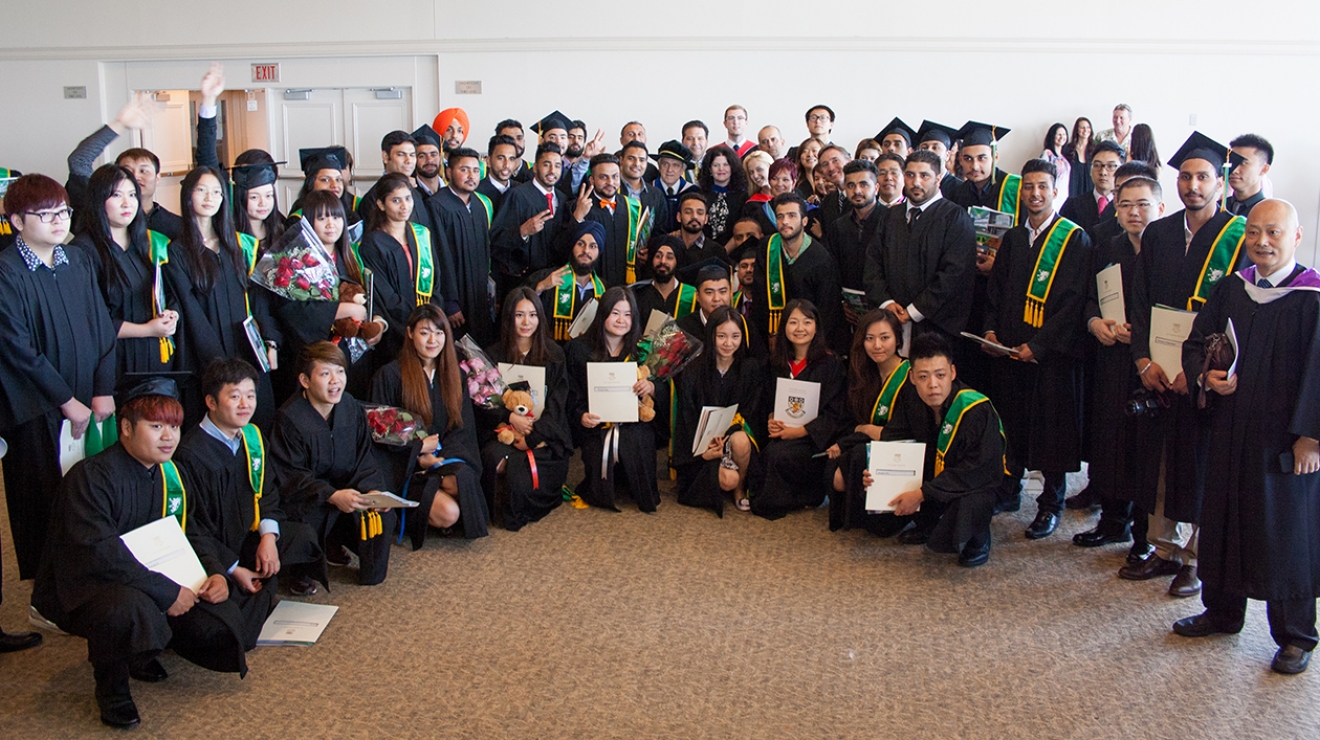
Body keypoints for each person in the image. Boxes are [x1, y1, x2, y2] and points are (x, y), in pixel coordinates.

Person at [31, 379, 258, 729]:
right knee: (128, 609)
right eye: (156, 426)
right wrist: (166, 592)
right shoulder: (92, 478)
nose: (168, 437)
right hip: (89, 586)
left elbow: (191, 528)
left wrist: (215, 571)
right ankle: (112, 687)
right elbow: (99, 554)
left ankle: (141, 651)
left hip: (150, 575)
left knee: (221, 611)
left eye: (174, 427)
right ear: (125, 427)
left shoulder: (170, 472)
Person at [1173, 199, 1320, 676]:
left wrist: (1312, 438)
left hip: (1283, 440)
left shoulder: (1312, 297)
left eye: (1273, 233)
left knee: (1284, 533)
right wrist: (1204, 377)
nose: (1262, 242)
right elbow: (1197, 342)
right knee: (1224, 516)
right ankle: (1222, 611)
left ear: (1295, 237)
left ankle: (1295, 635)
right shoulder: (1234, 289)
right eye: (1254, 233)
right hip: (1230, 427)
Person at [1122, 132, 1250, 597]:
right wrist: (1142, 360)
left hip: (1203, 376)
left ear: (1221, 183)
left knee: (1201, 464)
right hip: (1157, 369)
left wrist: (1196, 369)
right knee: (1161, 460)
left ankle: (1197, 556)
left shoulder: (1238, 237)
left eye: (1202, 177)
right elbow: (1139, 302)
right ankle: (1164, 548)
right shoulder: (1158, 233)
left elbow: (1237, 315)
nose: (1192, 185)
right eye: (1185, 176)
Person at [0, 174, 117, 638]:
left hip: (89, 403)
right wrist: (65, 400)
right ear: (15, 221)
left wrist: (101, 389)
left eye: (63, 212)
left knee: (85, 499)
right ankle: (45, 600)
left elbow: (101, 328)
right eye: (45, 215)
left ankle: (81, 587)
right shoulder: (8, 271)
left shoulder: (76, 260)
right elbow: (16, 347)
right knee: (45, 503)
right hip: (38, 411)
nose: (57, 222)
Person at [982, 159, 1092, 538]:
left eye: (1042, 186)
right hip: (1010, 352)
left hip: (1051, 358)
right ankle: (1010, 490)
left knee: (1052, 431)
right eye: (1028, 186)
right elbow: (995, 290)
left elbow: (1074, 304)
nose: (1034, 193)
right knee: (1011, 424)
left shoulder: (1074, 239)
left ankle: (1051, 503)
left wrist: (1039, 345)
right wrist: (991, 331)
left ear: (1056, 189)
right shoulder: (1013, 238)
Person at [175, 359, 325, 597]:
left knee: (302, 537)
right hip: (214, 552)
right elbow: (193, 525)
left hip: (248, 536)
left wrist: (268, 537)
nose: (245, 405)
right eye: (234, 397)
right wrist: (231, 567)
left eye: (251, 396)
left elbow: (267, 491)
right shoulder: (191, 455)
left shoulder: (251, 438)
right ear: (211, 402)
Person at [1072, 176, 1165, 558]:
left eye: (1142, 204)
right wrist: (1096, 323)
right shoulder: (1108, 247)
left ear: (1160, 208)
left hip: (1152, 364)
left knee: (1143, 449)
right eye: (1125, 204)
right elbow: (1091, 298)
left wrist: (1140, 335)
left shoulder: (1170, 253)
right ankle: (1112, 522)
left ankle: (1144, 537)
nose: (1133, 212)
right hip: (1111, 359)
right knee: (1111, 441)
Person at [875, 332, 1007, 567]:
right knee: (880, 519)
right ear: (912, 377)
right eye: (923, 376)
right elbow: (896, 439)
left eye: (940, 375)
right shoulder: (911, 399)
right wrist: (877, 470)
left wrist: (923, 493)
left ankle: (978, 538)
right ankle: (928, 524)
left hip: (975, 482)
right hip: (936, 479)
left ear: (953, 373)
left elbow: (980, 469)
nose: (932, 385)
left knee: (972, 497)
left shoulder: (976, 410)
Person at [272, 341, 395, 586]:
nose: (335, 380)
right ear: (305, 381)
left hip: (348, 490)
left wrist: (372, 489)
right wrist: (331, 495)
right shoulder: (289, 419)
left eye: (340, 371)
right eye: (325, 373)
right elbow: (291, 476)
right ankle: (302, 571)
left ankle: (364, 568)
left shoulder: (349, 406)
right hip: (308, 499)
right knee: (306, 524)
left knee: (382, 515)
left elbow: (364, 458)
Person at [166, 165, 278, 428]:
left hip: (248, 349)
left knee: (257, 424)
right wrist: (219, 365)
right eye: (201, 191)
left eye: (217, 192)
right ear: (188, 196)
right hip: (206, 356)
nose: (210, 198)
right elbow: (190, 311)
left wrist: (270, 342)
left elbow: (258, 299)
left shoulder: (239, 245)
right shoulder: (177, 252)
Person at [371, 305, 486, 545]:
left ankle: (435, 491)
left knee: (462, 479)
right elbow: (380, 436)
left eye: (439, 332)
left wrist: (440, 459)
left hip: (442, 461)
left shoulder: (455, 376)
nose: (433, 340)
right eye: (424, 333)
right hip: (406, 468)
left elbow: (461, 429)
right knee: (450, 513)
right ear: (410, 333)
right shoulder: (390, 375)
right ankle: (407, 509)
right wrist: (419, 451)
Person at [266, 190, 384, 398]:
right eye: (322, 218)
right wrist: (342, 310)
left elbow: (371, 299)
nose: (331, 224)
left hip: (353, 357)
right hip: (316, 356)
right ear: (308, 223)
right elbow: (291, 312)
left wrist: (378, 323)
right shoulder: (295, 261)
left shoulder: (352, 255)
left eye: (336, 217)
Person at [70, 164, 180, 379]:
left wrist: (172, 314)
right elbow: (89, 320)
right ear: (98, 200)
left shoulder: (149, 242)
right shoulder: (82, 251)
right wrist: (147, 330)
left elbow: (171, 292)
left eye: (132, 194)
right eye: (116, 195)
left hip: (157, 357)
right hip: (113, 362)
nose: (126, 203)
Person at [864, 149, 978, 352]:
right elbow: (873, 263)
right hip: (891, 322)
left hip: (934, 327)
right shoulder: (891, 217)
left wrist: (913, 311)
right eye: (910, 175)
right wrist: (886, 302)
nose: (916, 182)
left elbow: (954, 275)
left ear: (939, 178)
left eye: (924, 175)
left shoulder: (955, 218)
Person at [479, 287, 573, 530]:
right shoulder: (493, 354)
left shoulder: (554, 355)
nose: (526, 322)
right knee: (495, 462)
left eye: (533, 315)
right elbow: (484, 401)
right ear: (509, 317)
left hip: (543, 435)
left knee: (522, 479)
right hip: (503, 431)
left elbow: (557, 404)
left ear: (540, 318)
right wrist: (509, 417)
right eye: (519, 315)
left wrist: (532, 436)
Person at [750, 299, 847, 520]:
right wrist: (771, 417)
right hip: (780, 431)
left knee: (778, 455)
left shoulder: (830, 365)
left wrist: (800, 432)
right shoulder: (776, 363)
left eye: (807, 322)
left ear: (816, 327)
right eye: (793, 322)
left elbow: (835, 412)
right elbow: (765, 400)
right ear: (784, 327)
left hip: (812, 439)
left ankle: (804, 496)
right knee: (763, 450)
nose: (800, 328)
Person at [564, 286, 659, 512]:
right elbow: (571, 393)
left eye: (627, 315)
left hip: (633, 421)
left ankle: (639, 491)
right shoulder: (579, 349)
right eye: (615, 313)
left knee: (639, 439)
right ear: (603, 314)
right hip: (596, 424)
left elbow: (661, 391)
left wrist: (651, 387)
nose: (621, 320)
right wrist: (581, 415)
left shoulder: (642, 351)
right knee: (598, 447)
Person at [673, 306, 766, 515]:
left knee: (741, 442)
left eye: (735, 336)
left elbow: (752, 411)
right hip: (701, 446)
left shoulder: (750, 369)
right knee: (727, 480)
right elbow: (687, 417)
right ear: (711, 335)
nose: (728, 343)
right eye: (721, 336)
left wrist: (727, 434)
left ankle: (740, 490)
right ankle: (726, 477)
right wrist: (704, 451)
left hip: (734, 436)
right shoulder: (693, 371)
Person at [827, 309, 912, 534]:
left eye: (885, 338)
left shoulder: (910, 377)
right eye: (870, 338)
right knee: (835, 471)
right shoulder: (865, 374)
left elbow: (899, 433)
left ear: (898, 339)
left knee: (853, 459)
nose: (877, 346)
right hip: (868, 445)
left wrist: (864, 429)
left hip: (902, 455)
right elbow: (849, 420)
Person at [65, 96, 183, 239]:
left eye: (144, 171)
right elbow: (79, 161)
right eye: (127, 170)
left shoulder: (174, 225)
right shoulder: (97, 215)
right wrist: (120, 124)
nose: (135, 176)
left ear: (157, 177)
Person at [746, 192, 845, 353]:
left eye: (792, 216)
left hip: (808, 340)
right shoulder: (767, 247)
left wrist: (814, 344)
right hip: (772, 335)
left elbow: (827, 309)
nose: (785, 221)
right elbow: (760, 296)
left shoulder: (820, 258)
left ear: (804, 221)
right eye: (780, 216)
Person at [429, 146, 496, 346]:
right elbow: (439, 256)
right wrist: (450, 302)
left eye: (475, 170)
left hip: (479, 297)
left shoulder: (479, 205)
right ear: (448, 172)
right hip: (455, 298)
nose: (471, 175)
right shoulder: (437, 206)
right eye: (464, 169)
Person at [491, 142, 569, 293]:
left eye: (557, 165)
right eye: (546, 164)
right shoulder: (517, 195)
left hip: (555, 281)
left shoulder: (562, 199)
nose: (552, 170)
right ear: (534, 167)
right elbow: (496, 239)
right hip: (523, 283)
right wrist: (522, 231)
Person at [565, 153, 645, 286]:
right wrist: (577, 217)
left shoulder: (632, 207)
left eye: (615, 177)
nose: (610, 182)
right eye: (603, 177)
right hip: (592, 285)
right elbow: (565, 247)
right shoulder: (579, 206)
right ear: (592, 180)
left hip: (624, 284)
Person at [826, 159, 883, 331]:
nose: (857, 190)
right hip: (848, 311)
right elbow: (832, 269)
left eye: (864, 184)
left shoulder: (891, 222)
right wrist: (841, 303)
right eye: (850, 185)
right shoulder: (839, 226)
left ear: (877, 188)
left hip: (883, 310)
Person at [529, 220, 607, 342]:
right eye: (580, 244)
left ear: (599, 252)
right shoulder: (547, 278)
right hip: (550, 353)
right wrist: (541, 287)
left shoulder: (604, 289)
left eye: (593, 246)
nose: (586, 251)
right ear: (572, 247)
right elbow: (518, 306)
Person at [1060, 140, 1125, 235]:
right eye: (1097, 165)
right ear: (1090, 170)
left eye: (1111, 166)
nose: (1103, 172)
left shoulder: (1125, 208)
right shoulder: (1073, 205)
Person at [630, 235, 693, 321]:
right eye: (658, 256)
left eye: (669, 257)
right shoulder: (637, 295)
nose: (663, 261)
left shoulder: (691, 296)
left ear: (677, 262)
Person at [230, 152, 285, 249]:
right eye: (254, 197)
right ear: (241, 197)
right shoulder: (231, 235)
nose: (263, 203)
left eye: (268, 195)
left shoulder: (281, 227)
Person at [698, 145, 749, 246]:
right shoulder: (700, 195)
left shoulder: (743, 196)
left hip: (734, 249)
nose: (721, 169)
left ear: (732, 167)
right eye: (716, 165)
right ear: (709, 169)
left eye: (726, 164)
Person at [619, 141, 668, 243]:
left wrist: (651, 250)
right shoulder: (612, 190)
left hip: (644, 255)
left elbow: (661, 231)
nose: (636, 164)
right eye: (631, 158)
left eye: (642, 160)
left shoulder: (656, 195)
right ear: (621, 160)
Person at [651, 140, 696, 234]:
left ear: (683, 169)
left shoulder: (694, 192)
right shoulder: (648, 191)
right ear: (659, 166)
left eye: (675, 165)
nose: (669, 170)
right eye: (665, 164)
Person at [1225, 134, 1273, 217]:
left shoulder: (1271, 213)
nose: (1234, 170)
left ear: (1264, 169)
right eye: (1232, 162)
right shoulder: (1216, 209)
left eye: (1243, 163)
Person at [915, 120, 962, 200]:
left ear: (947, 155)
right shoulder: (914, 184)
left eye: (935, 148)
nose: (929, 151)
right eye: (924, 148)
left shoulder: (959, 188)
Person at [477, 133, 521, 215]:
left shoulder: (521, 190)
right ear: (488, 161)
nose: (506, 165)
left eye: (511, 159)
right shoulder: (477, 193)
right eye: (501, 158)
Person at [672, 190, 717, 263]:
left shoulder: (716, 251)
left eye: (700, 213)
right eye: (688, 212)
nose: (694, 217)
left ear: (706, 219)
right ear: (679, 217)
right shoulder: (666, 246)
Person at [1062, 117, 1096, 198]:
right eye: (1082, 127)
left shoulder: (1095, 149)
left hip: (1090, 189)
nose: (1085, 130)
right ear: (1077, 130)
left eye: (1088, 127)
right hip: (1072, 189)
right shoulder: (1068, 149)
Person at [1041, 122, 1072, 209]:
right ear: (1053, 136)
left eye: (1064, 134)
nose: (1062, 137)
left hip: (1063, 198)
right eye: (1059, 134)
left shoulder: (1064, 158)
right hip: (1052, 197)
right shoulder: (1047, 154)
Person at [411, 124, 445, 195]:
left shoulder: (453, 192)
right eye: (422, 156)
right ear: (414, 160)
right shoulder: (409, 194)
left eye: (433, 154)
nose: (429, 160)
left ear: (440, 158)